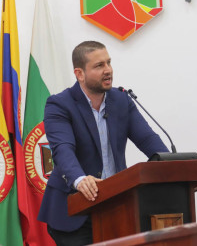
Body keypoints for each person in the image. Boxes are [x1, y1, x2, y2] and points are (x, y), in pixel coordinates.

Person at [38, 41, 169, 246]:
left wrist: (170, 163)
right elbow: (63, 149)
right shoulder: (60, 104)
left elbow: (147, 139)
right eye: (99, 66)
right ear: (79, 74)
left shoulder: (121, 100)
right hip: (75, 211)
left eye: (108, 63)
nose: (108, 70)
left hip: (117, 207)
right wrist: (80, 179)